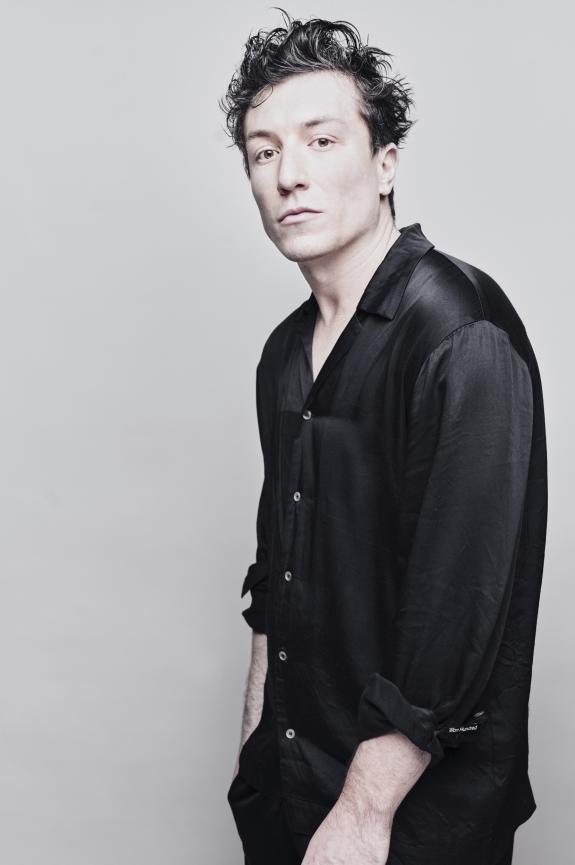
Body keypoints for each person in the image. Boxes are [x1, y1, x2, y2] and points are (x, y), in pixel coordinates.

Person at [219, 10, 547, 865]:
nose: (288, 174)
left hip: (402, 825)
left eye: (321, 141)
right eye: (263, 152)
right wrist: (254, 753)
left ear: (385, 162)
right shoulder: (283, 354)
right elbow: (277, 575)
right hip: (291, 793)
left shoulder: (458, 329)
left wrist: (361, 817)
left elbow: (457, 608)